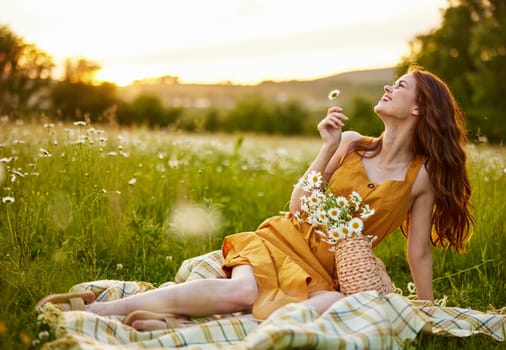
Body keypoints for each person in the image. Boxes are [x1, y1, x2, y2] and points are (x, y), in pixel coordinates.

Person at [36, 67, 475, 331]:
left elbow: (418, 252)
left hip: (329, 273)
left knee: (321, 308)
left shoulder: (422, 177)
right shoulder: (354, 144)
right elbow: (299, 205)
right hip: (285, 240)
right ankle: (105, 310)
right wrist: (327, 147)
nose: (388, 89)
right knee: (243, 290)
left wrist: (427, 310)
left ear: (419, 109)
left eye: (400, 86)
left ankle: (179, 323)